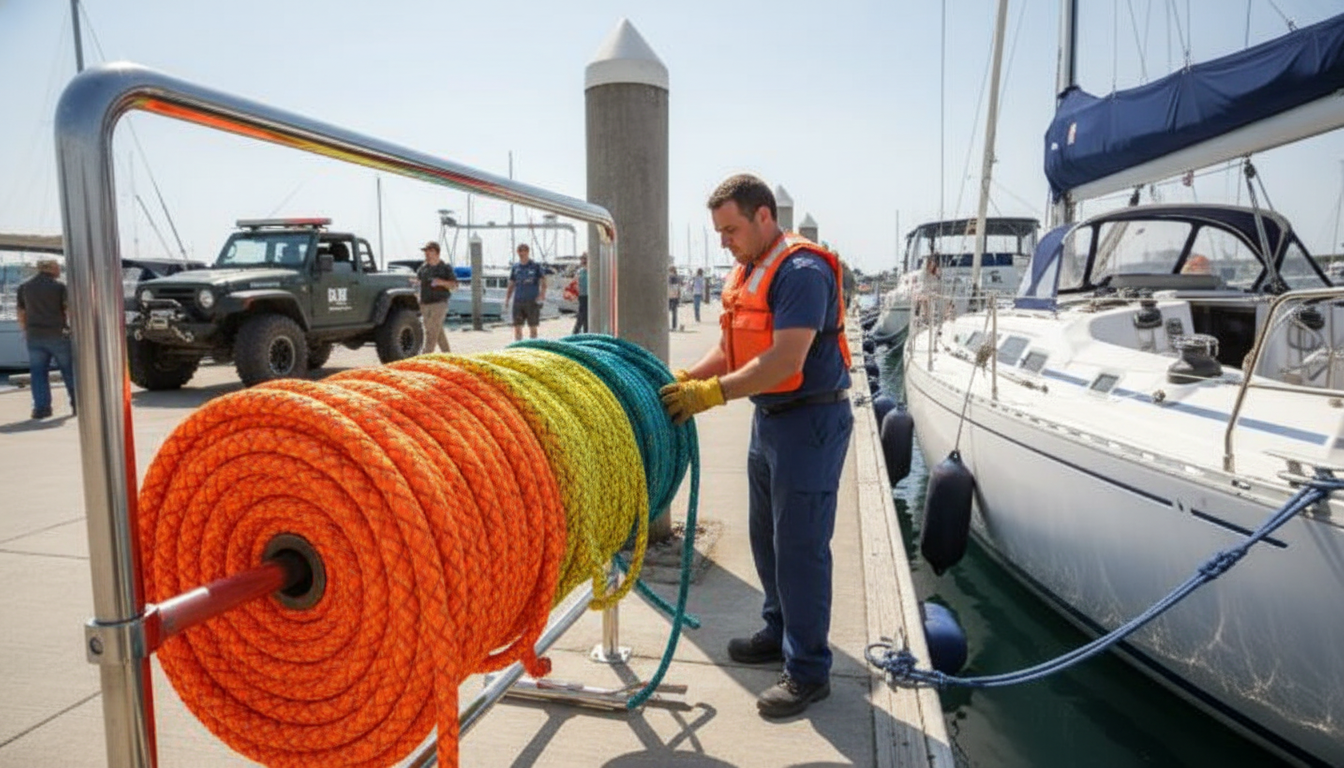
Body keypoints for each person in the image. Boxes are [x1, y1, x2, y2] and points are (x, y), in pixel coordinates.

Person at [659, 174, 853, 718]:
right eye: (719, 232)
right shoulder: (749, 271)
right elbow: (732, 348)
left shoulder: (803, 272)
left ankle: (809, 671)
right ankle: (779, 631)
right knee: (766, 538)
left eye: (731, 229)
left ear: (765, 215)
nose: (724, 241)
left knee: (800, 547)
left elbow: (784, 362)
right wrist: (681, 381)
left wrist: (708, 396)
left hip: (811, 423)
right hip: (769, 421)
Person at [16, 258, 76, 419]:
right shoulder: (59, 287)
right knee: (69, 371)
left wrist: (25, 331)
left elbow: (21, 313)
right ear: (51, 269)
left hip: (34, 336)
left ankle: (41, 409)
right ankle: (77, 405)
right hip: (57, 334)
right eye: (57, 267)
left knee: (38, 373)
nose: (59, 270)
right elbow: (68, 309)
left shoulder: (24, 287)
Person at [416, 241, 458, 353]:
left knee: (431, 333)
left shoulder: (445, 268)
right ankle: (449, 357)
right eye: (425, 251)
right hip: (424, 304)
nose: (427, 254)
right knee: (437, 332)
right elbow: (417, 281)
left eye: (430, 251)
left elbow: (454, 286)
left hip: (439, 304)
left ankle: (425, 359)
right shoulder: (423, 268)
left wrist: (441, 282)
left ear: (437, 253)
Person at [506, 243, 546, 340]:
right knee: (517, 327)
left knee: (533, 327)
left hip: (532, 301)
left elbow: (543, 281)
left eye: (524, 251)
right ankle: (519, 348)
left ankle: (533, 348)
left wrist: (542, 295)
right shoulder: (515, 267)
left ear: (528, 252)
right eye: (520, 251)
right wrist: (507, 298)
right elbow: (511, 284)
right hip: (518, 301)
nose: (522, 253)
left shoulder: (535, 266)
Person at [572, 252, 589, 334]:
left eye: (585, 259)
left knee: (585, 317)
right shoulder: (580, 272)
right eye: (582, 259)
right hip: (582, 296)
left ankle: (582, 333)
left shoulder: (592, 271)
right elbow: (575, 283)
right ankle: (575, 333)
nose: (583, 261)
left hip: (590, 296)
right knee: (582, 316)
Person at [668, 265, 682, 331]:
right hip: (674, 297)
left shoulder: (669, 278)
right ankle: (674, 326)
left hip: (671, 296)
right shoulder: (677, 278)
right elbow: (679, 288)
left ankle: (672, 326)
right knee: (674, 313)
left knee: (670, 312)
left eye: (670, 271)